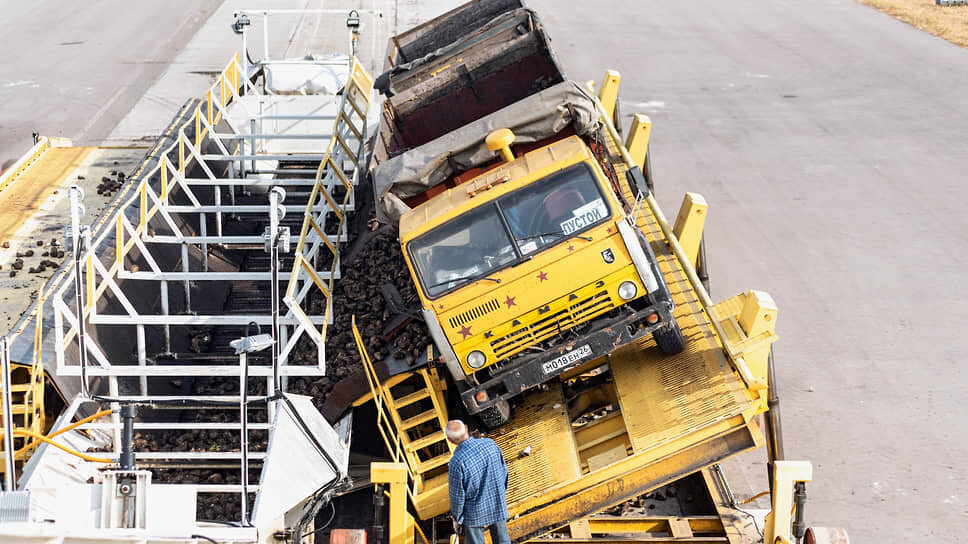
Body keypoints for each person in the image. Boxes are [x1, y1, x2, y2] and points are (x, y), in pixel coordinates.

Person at [447, 420, 510, 544]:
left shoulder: (456, 462)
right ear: (466, 428)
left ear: (450, 440)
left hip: (473, 514)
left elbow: (457, 498)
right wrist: (500, 495)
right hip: (497, 504)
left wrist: (457, 518)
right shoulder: (490, 444)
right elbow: (504, 473)